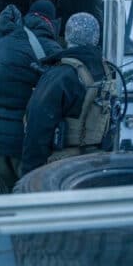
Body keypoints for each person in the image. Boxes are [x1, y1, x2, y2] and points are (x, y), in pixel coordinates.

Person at [21, 13, 115, 177]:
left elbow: (37, 127)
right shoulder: (106, 69)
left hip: (63, 165)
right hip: (96, 162)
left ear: (67, 35)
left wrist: (30, 174)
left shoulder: (61, 75)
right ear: (96, 37)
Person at [0, 0, 62, 193]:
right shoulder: (49, 49)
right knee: (29, 200)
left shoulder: (1, 42)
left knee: (6, 200)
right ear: (51, 21)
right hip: (25, 144)